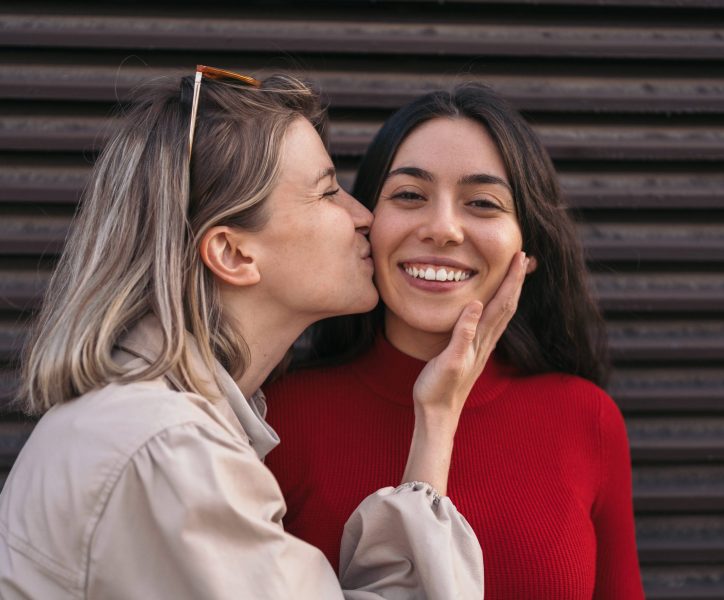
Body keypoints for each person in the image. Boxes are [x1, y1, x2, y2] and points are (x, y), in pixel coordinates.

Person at [0, 67, 527, 599]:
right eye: (326, 193)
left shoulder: (156, 425)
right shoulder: (169, 450)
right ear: (233, 253)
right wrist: (437, 422)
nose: (363, 215)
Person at [263, 84, 646, 599]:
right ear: (364, 226)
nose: (442, 228)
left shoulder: (586, 418)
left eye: (483, 203)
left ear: (527, 249)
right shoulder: (279, 418)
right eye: (409, 195)